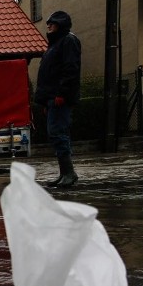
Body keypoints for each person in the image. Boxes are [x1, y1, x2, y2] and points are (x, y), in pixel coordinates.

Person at [35, 10, 81, 188]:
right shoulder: (55, 44)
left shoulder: (68, 41)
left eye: (51, 23)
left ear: (60, 24)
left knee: (58, 133)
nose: (48, 26)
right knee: (56, 134)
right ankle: (64, 173)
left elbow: (70, 70)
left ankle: (69, 173)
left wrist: (61, 95)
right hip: (53, 98)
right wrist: (47, 101)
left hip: (60, 98)